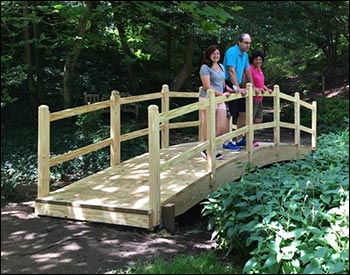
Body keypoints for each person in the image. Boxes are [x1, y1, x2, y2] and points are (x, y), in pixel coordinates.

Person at [199, 45, 240, 160]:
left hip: (220, 99)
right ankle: (208, 149)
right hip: (207, 99)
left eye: (217, 53)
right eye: (213, 54)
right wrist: (222, 94)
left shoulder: (221, 66)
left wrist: (230, 90)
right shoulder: (205, 67)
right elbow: (207, 86)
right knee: (208, 125)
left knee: (221, 127)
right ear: (209, 55)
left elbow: (222, 84)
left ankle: (208, 146)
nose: (216, 56)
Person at [223, 33, 255, 147]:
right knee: (229, 114)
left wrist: (253, 85)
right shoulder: (231, 52)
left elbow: (247, 70)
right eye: (246, 43)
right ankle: (226, 142)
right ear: (239, 42)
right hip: (229, 83)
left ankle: (239, 138)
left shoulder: (245, 54)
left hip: (239, 84)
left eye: (249, 43)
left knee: (243, 112)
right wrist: (236, 87)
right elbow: (231, 71)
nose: (248, 45)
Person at [247, 50, 272, 125]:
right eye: (256, 59)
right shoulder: (249, 69)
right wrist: (254, 88)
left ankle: (250, 135)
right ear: (252, 60)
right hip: (253, 98)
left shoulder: (259, 69)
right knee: (249, 119)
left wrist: (266, 88)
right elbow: (247, 81)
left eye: (260, 59)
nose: (258, 61)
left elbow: (260, 82)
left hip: (260, 97)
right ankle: (245, 136)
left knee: (258, 120)